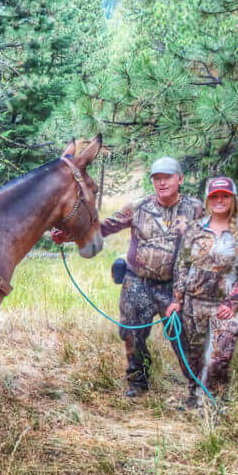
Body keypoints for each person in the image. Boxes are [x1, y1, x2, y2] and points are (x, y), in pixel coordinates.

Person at [97, 157, 204, 397]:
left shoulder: (195, 208)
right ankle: (138, 382)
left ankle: (197, 388)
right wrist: (70, 234)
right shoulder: (138, 207)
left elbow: (213, 234)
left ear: (180, 179)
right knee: (131, 333)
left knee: (183, 336)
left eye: (167, 177)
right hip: (137, 282)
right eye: (157, 179)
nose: (162, 183)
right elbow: (104, 227)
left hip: (174, 287)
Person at [165, 177, 238, 408]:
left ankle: (214, 400)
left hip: (223, 306)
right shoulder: (196, 228)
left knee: (219, 357)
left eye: (224, 196)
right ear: (208, 199)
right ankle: (194, 397)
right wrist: (177, 300)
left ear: (233, 198)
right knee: (193, 356)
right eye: (214, 196)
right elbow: (182, 265)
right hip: (193, 303)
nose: (219, 200)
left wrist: (232, 303)